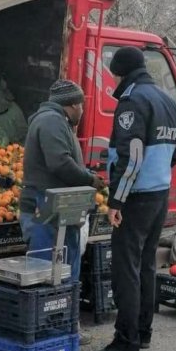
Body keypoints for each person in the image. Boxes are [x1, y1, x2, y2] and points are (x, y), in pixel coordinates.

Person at [91, 47, 176, 351]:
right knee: (145, 265)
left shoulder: (132, 101)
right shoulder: (167, 100)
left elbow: (133, 156)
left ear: (121, 72)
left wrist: (117, 200)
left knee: (125, 269)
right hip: (160, 194)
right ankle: (143, 334)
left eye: (113, 72)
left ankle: (125, 341)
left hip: (136, 197)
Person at [19, 78, 105, 283]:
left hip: (59, 207)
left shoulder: (58, 122)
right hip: (45, 206)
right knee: (45, 271)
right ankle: (49, 312)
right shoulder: (51, 121)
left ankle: (64, 310)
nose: (82, 111)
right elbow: (59, 162)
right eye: (81, 105)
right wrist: (90, 180)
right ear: (73, 104)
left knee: (62, 267)